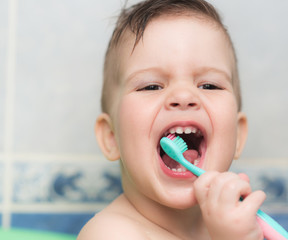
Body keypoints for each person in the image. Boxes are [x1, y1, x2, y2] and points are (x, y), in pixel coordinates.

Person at [78, 0, 266, 239]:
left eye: (209, 85)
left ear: (238, 135)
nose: (184, 96)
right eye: (151, 86)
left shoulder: (237, 225)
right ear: (112, 137)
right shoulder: (110, 233)